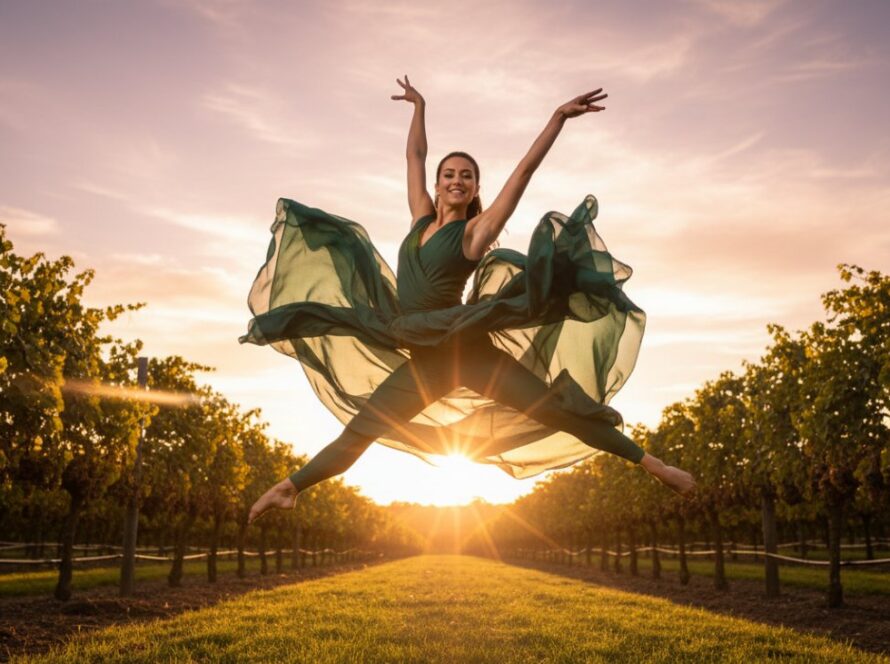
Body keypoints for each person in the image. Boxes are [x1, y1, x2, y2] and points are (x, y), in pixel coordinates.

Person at [245, 76, 696, 523]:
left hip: (467, 351)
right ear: (438, 186)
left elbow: (523, 173)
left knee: (556, 410)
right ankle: (291, 488)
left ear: (475, 189)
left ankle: (654, 466)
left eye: (466, 176)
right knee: (362, 429)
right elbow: (414, 155)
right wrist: (419, 107)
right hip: (424, 361)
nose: (456, 181)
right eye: (449, 175)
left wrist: (558, 117)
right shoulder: (420, 219)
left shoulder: (475, 233)